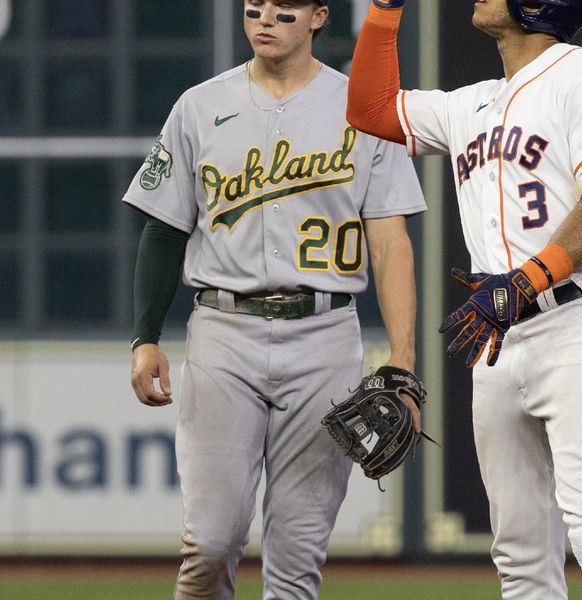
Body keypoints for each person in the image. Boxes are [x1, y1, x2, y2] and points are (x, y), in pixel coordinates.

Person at [346, 0, 582, 598]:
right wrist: (384, 10)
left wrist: (524, 281)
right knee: (518, 555)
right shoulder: (472, 101)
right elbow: (371, 109)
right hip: (501, 339)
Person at [123, 1, 426, 598]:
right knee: (209, 543)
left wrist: (403, 357)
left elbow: (391, 242)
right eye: (254, 8)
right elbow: (163, 228)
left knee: (296, 558)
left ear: (318, 17)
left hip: (325, 336)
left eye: (283, 12)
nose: (264, 21)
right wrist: (145, 336)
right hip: (223, 331)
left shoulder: (360, 109)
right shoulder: (200, 105)